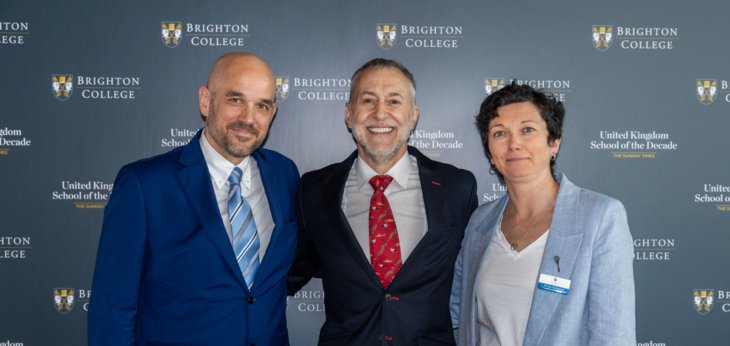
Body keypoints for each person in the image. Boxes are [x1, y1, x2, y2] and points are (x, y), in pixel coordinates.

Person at [88, 52, 299, 346]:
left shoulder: (284, 173)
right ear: (206, 100)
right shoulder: (144, 185)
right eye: (235, 100)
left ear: (272, 112)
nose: (248, 118)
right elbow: (112, 308)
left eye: (261, 105)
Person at [288, 58, 478, 345]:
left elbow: (477, 278)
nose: (380, 113)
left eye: (393, 101)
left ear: (413, 116)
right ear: (349, 115)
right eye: (368, 100)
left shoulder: (457, 188)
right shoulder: (313, 190)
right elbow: (287, 272)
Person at [450, 82, 635, 345]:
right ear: (490, 153)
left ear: (554, 143)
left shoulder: (600, 217)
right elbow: (459, 316)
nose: (514, 144)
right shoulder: (480, 222)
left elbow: (613, 335)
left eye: (527, 130)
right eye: (500, 133)